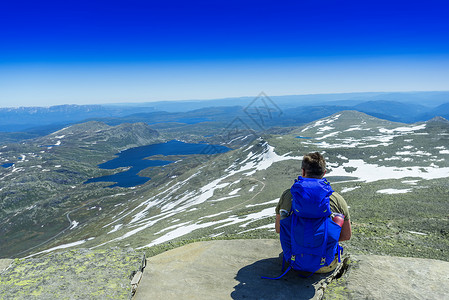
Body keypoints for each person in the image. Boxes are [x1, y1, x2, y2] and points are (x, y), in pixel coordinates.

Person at [275, 152, 352, 273]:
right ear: (324, 173)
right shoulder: (337, 199)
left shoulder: (289, 195)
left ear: (303, 172)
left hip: (294, 260)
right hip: (326, 264)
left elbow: (279, 229)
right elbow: (346, 236)